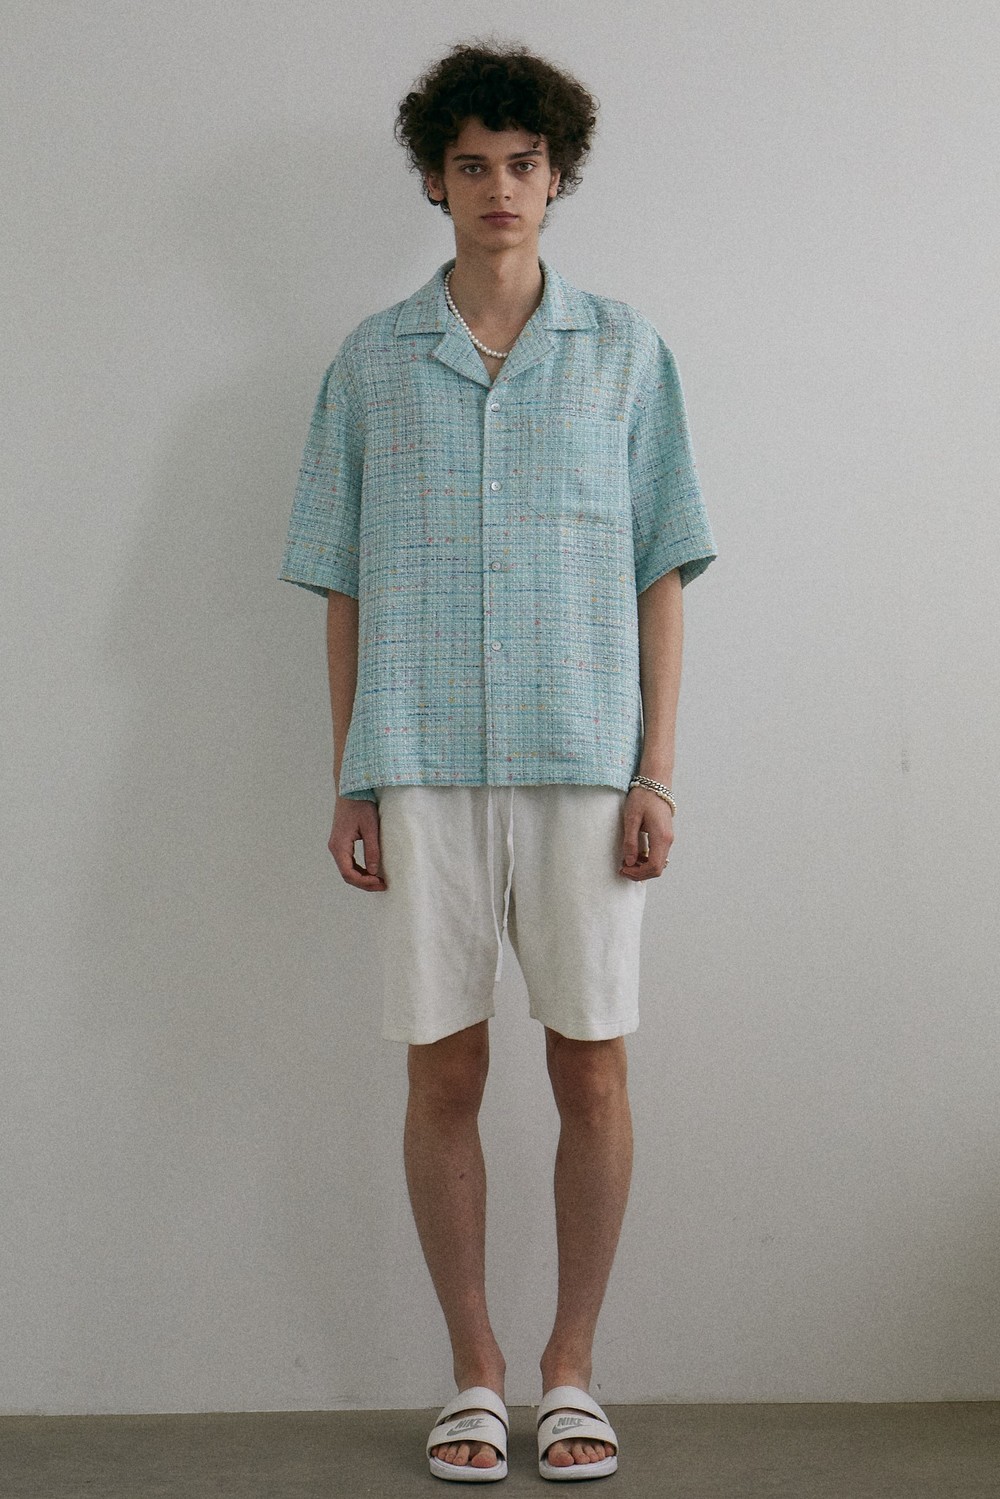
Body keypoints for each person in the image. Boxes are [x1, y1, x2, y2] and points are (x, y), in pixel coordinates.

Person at [280, 39, 716, 1484]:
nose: (498, 189)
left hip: (587, 761)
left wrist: (658, 771)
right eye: (471, 166)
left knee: (591, 1066)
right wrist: (352, 773)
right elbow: (343, 580)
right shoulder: (371, 362)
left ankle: (571, 1371)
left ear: (556, 175)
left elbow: (663, 570)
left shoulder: (627, 352)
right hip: (420, 759)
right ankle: (473, 1373)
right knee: (443, 1072)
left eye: (522, 165)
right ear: (434, 180)